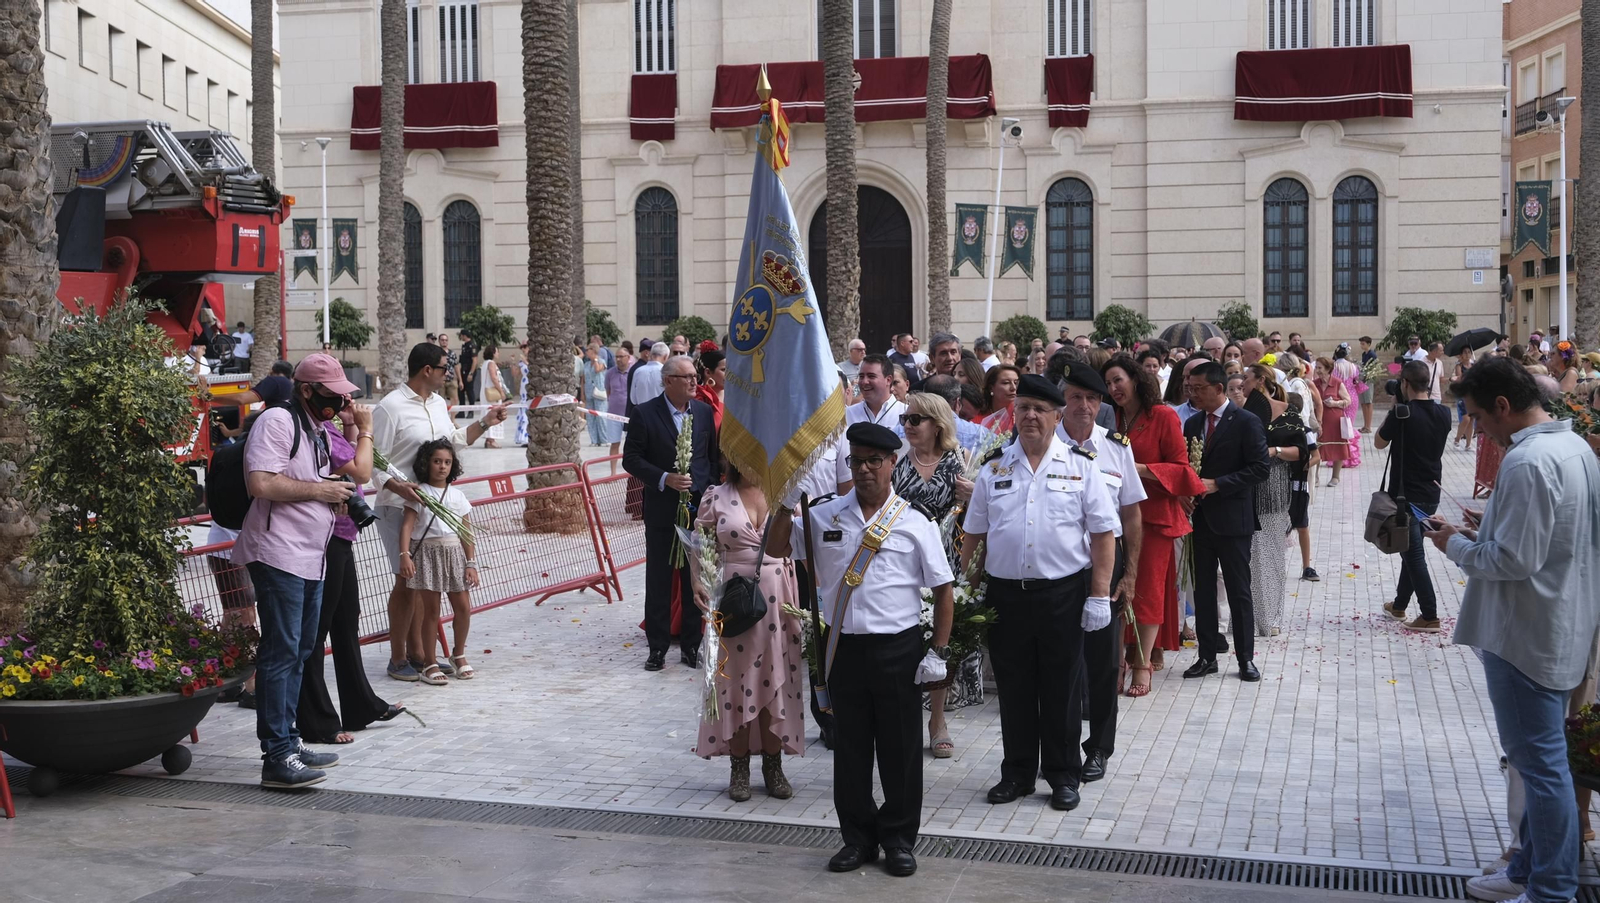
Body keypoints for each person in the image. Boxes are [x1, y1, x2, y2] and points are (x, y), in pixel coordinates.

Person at [1429, 357, 1600, 903]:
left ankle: (1550, 888)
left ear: (1504, 405)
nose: (1479, 430)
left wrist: (1453, 543)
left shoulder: (1529, 460)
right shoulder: (1573, 448)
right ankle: (1530, 869)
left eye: (1479, 418)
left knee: (1539, 767)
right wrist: (1490, 523)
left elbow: (1513, 560)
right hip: (1559, 625)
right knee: (1538, 762)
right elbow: (1551, 537)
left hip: (1527, 634)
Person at [767, 422, 953, 878]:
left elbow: (944, 590)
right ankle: (857, 839)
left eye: (876, 461)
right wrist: (787, 498)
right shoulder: (824, 514)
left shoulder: (914, 522)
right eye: (857, 461)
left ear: (894, 463)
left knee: (901, 751)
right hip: (843, 648)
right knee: (850, 751)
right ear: (847, 464)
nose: (866, 469)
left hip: (899, 649)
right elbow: (775, 547)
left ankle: (898, 839)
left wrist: (938, 652)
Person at [963, 374, 1117, 812]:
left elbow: (1104, 534)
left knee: (1061, 688)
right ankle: (1017, 773)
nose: (1030, 416)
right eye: (1023, 407)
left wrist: (1100, 595)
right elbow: (975, 534)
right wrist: (967, 591)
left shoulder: (1081, 466)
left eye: (1039, 409)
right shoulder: (994, 468)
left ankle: (1064, 774)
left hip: (1062, 595)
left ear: (1057, 415)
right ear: (1014, 414)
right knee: (1013, 688)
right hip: (1006, 596)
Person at [231, 353, 359, 788]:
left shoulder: (317, 428)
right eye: (333, 396)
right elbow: (261, 483)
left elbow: (317, 482)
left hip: (311, 556)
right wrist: (321, 490)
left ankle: (290, 738)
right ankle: (277, 755)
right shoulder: (278, 422)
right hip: (278, 554)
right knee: (282, 651)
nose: (339, 404)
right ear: (306, 390)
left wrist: (331, 495)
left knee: (302, 650)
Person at [372, 343, 506, 683]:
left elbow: (453, 442)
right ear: (426, 370)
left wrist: (486, 423)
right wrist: (396, 486)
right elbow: (373, 460)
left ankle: (420, 654)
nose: (450, 371)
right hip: (398, 507)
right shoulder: (390, 407)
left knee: (421, 584)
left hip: (435, 507)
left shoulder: (436, 404)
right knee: (406, 581)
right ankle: (398, 656)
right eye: (445, 366)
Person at [692, 457, 804, 801]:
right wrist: (698, 580)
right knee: (735, 686)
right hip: (734, 604)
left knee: (776, 684)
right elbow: (700, 545)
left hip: (780, 601)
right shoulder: (716, 496)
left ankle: (773, 766)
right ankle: (738, 768)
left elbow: (804, 542)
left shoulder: (785, 495)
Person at [1056, 362, 1145, 786]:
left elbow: (1130, 515)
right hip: (1058, 572)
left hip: (1105, 573)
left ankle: (1099, 749)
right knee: (1060, 665)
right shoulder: (1041, 445)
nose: (1085, 406)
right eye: (1076, 397)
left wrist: (1129, 576)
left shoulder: (1117, 448)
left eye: (1093, 398)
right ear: (1062, 402)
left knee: (1104, 664)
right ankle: (1060, 750)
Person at [297, 401, 406, 743]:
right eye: (337, 398)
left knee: (347, 622)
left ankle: (361, 706)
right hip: (324, 539)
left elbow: (347, 464)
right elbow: (360, 471)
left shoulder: (328, 428)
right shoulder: (311, 432)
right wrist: (366, 428)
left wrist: (348, 426)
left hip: (342, 535)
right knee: (316, 630)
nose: (345, 404)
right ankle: (318, 722)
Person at [1103, 356, 1203, 693]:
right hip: (1114, 517)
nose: (1113, 388)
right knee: (1112, 589)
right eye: (1108, 383)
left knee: (1147, 591)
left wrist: (1137, 468)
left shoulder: (1162, 416)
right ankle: (1115, 663)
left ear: (1135, 379)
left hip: (1155, 517)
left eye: (1118, 380)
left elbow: (1182, 469)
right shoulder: (1108, 417)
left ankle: (1142, 664)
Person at [623, 355, 718, 671]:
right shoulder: (645, 414)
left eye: (695, 375)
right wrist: (665, 479)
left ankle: (692, 645)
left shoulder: (703, 413)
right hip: (663, 510)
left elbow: (710, 459)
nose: (694, 381)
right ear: (668, 381)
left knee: (694, 578)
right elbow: (632, 459)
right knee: (660, 579)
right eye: (687, 376)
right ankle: (658, 647)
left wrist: (707, 492)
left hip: (697, 511)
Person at [890, 392, 971, 758]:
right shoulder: (895, 463)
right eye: (905, 419)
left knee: (940, 635)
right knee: (906, 636)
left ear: (936, 424)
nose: (907, 426)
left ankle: (937, 719)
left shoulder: (963, 462)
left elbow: (980, 518)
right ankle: (903, 717)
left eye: (915, 420)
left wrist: (974, 496)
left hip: (946, 557)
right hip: (904, 560)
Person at [1180, 362, 1269, 682]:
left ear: (1218, 389)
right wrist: (1185, 493)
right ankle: (1207, 656)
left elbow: (1260, 469)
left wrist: (1219, 483)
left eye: (1199, 388)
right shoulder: (1191, 424)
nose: (1194, 394)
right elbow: (1186, 468)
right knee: (1202, 590)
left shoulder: (1246, 422)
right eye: (1190, 388)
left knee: (1238, 591)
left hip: (1233, 520)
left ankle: (1245, 658)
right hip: (1201, 521)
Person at [1374, 361, 1452, 633]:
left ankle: (1429, 614)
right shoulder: (1445, 413)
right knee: (1410, 550)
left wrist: (1394, 410)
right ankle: (1398, 605)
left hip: (1405, 496)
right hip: (1431, 492)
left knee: (1414, 555)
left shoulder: (1402, 413)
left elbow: (1379, 442)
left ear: (1405, 384)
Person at [397, 439, 480, 685]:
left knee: (463, 607)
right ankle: (430, 662)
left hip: (454, 553)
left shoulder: (458, 495)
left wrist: (471, 562)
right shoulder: (418, 493)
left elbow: (466, 531)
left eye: (447, 462)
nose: (442, 467)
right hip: (427, 554)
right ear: (426, 463)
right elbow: (407, 527)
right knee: (431, 611)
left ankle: (459, 654)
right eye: (437, 462)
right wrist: (404, 555)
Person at [1247, 369, 1304, 638]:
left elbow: (1303, 451)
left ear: (1261, 380)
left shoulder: (1288, 412)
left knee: (1271, 554)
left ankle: (1270, 617)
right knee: (1246, 557)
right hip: (1245, 488)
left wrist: (1275, 451)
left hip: (1274, 489)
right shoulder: (1240, 411)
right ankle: (1246, 616)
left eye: (1247, 378)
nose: (1243, 383)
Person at [1278, 354, 1321, 582]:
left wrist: (1302, 464)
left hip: (1298, 485)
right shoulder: (1278, 432)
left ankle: (1307, 566)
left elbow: (1316, 456)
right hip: (1278, 485)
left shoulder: (1304, 433)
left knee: (1301, 524)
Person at [1313, 357, 1352, 487]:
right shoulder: (1314, 383)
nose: (1317, 370)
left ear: (1328, 369)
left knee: (1338, 447)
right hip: (1319, 420)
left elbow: (1348, 401)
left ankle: (1335, 477)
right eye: (1316, 367)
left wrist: (1335, 403)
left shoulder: (1337, 383)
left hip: (1335, 420)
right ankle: (1316, 477)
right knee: (1317, 447)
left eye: (1320, 368)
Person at [602, 346, 631, 470]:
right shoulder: (610, 373)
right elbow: (608, 391)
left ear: (628, 358)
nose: (618, 359)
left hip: (630, 414)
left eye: (621, 357)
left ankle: (631, 471)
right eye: (616, 357)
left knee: (631, 444)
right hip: (614, 413)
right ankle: (613, 472)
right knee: (614, 443)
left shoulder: (633, 372)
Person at [980, 364, 1021, 436]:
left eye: (1016, 383)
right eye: (1006, 383)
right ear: (991, 388)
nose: (1013, 388)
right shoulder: (978, 418)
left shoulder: (1021, 413)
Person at [478, 346, 507, 448]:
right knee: (494, 413)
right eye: (497, 352)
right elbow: (494, 378)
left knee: (488, 412)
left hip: (485, 392)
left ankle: (488, 439)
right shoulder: (491, 363)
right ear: (493, 353)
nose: (498, 354)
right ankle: (491, 440)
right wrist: (501, 391)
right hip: (492, 393)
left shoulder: (485, 363)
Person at [580, 343, 609, 446]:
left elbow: (597, 370)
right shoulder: (586, 364)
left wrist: (595, 359)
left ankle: (604, 439)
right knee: (591, 417)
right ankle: (594, 440)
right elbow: (583, 380)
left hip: (599, 391)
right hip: (589, 392)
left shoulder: (602, 362)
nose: (586, 352)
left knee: (601, 416)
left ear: (593, 351)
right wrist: (582, 394)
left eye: (588, 350)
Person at [1451, 347, 1476, 449]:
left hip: (1472, 394)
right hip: (1462, 394)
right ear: (1461, 355)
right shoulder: (1459, 366)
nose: (1467, 354)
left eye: (1469, 352)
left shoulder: (1474, 365)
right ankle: (1457, 438)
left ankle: (1468, 444)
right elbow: (1460, 378)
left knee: (1472, 419)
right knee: (1466, 419)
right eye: (1465, 352)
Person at [695, 348, 727, 429]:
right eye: (724, 370)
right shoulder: (699, 397)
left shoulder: (735, 396)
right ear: (708, 372)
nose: (729, 375)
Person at [457, 331, 479, 414]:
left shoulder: (472, 346)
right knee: (461, 390)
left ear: (464, 336)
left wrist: (471, 373)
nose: (461, 337)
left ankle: (471, 411)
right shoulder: (464, 346)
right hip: (463, 370)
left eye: (461, 335)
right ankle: (461, 412)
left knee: (469, 391)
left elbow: (475, 361)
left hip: (469, 371)